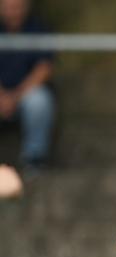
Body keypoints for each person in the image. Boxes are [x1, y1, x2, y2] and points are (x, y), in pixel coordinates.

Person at [0, 0, 55, 172]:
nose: (13, 12)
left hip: (25, 94)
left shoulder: (39, 28)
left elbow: (44, 68)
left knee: (40, 101)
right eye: (9, 7)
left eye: (17, 7)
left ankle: (34, 159)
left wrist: (15, 97)